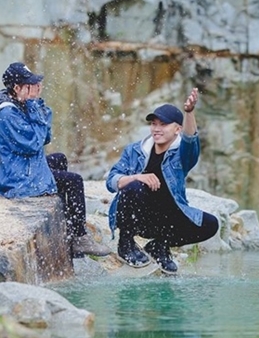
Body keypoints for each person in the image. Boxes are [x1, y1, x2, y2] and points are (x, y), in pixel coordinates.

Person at [0, 61, 110, 257]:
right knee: (73, 181)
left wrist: (36, 104)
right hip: (16, 178)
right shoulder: (7, 113)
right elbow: (34, 144)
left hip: (21, 166)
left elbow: (46, 137)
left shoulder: (20, 103)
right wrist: (33, 104)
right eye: (30, 85)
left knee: (59, 159)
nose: (36, 88)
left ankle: (67, 226)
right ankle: (79, 237)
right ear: (16, 88)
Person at [106, 88, 219, 274]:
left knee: (211, 224)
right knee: (133, 186)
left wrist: (189, 113)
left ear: (177, 129)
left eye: (163, 124)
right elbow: (111, 181)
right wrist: (137, 177)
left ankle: (159, 246)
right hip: (139, 219)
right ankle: (125, 243)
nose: (156, 129)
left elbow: (191, 142)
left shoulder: (180, 155)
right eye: (153, 124)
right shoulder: (135, 150)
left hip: (167, 219)